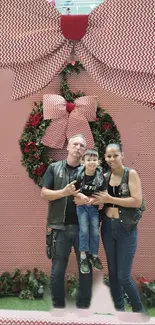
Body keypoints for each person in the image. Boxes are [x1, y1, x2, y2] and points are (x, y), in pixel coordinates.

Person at [40, 134, 92, 309]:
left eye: (82, 146)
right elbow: (44, 193)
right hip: (59, 229)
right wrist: (64, 192)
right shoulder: (54, 168)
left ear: (84, 151)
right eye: (75, 144)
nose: (78, 147)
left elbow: (97, 199)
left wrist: (86, 200)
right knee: (57, 271)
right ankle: (58, 308)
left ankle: (83, 308)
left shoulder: (90, 173)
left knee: (85, 269)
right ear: (68, 147)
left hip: (83, 230)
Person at [92, 143, 144, 313]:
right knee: (113, 275)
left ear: (122, 154)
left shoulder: (131, 174)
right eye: (108, 156)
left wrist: (110, 198)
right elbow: (97, 197)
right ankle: (119, 312)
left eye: (115, 155)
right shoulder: (105, 177)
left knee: (123, 276)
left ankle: (139, 312)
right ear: (105, 158)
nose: (112, 159)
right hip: (108, 228)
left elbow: (136, 201)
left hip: (126, 229)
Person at [74, 149, 106, 274]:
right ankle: (83, 256)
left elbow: (104, 194)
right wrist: (81, 196)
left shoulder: (100, 177)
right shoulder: (78, 175)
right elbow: (73, 191)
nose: (92, 162)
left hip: (93, 207)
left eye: (94, 160)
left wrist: (92, 200)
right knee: (84, 230)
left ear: (98, 162)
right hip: (81, 207)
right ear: (83, 162)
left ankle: (94, 255)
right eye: (89, 160)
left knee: (94, 231)